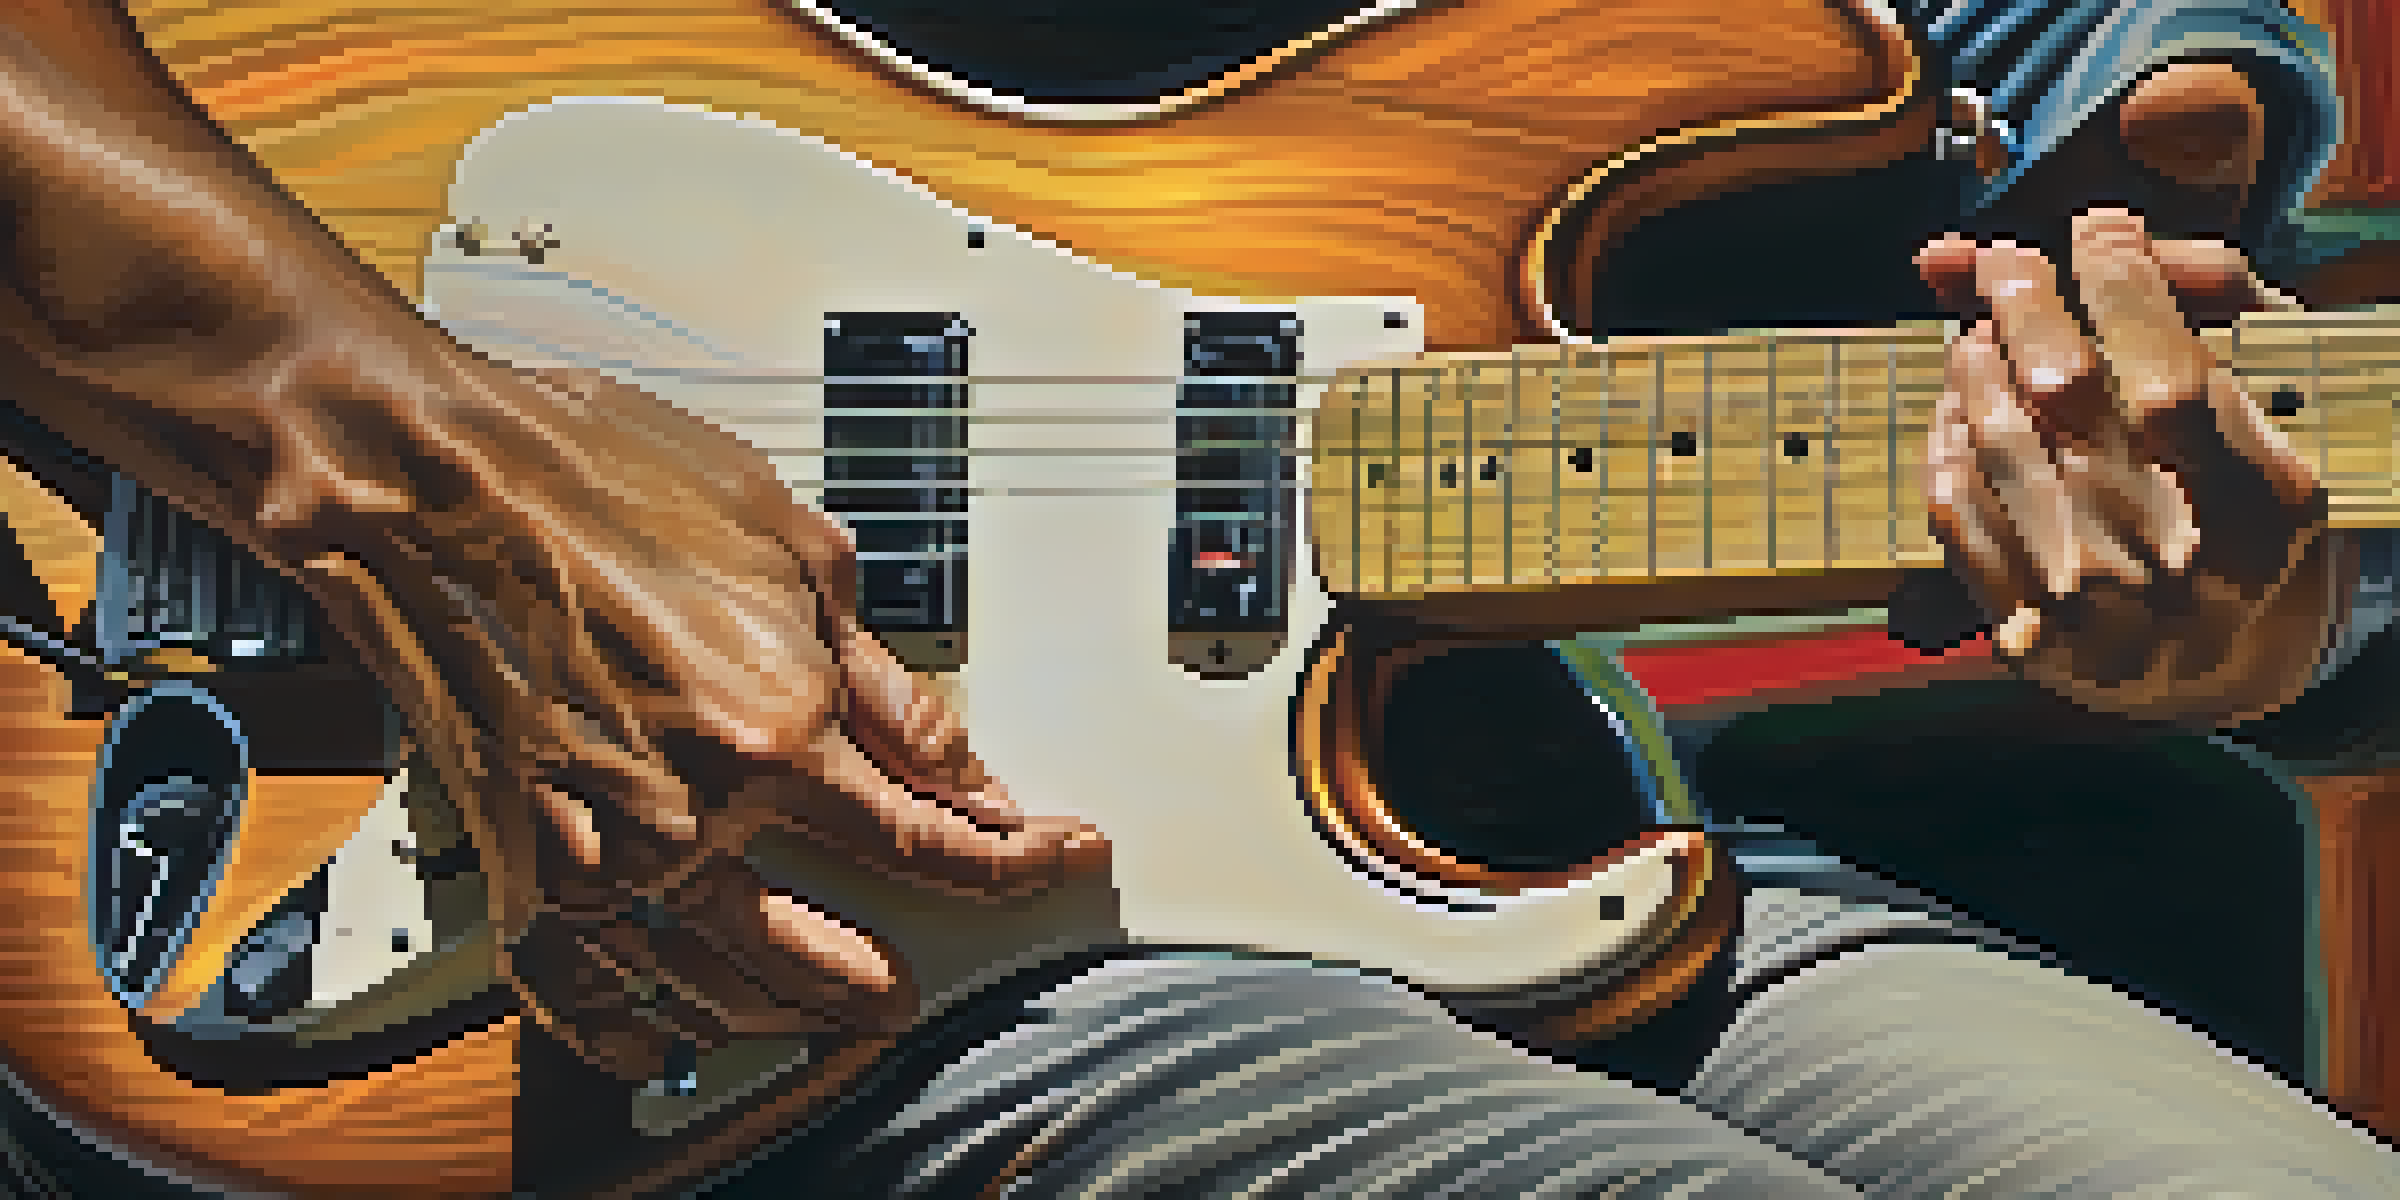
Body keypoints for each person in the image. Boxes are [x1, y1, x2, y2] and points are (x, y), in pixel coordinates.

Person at [0, 0, 2392, 1196]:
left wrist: (2250, 623)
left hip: (1463, 817)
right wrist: (426, 468)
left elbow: (2171, 336)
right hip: (754, 898)